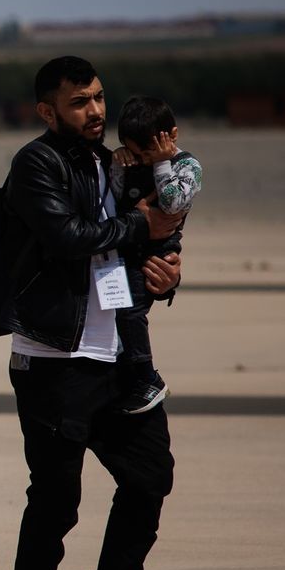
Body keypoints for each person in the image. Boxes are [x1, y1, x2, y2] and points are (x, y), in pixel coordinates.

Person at [0, 56, 185, 570]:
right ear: (47, 111)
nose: (96, 111)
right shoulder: (36, 164)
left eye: (99, 98)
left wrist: (163, 276)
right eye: (80, 103)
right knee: (56, 498)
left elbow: (144, 238)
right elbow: (68, 238)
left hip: (122, 356)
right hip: (55, 357)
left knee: (150, 476)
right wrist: (138, 226)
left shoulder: (113, 164)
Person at [108, 96, 203, 414]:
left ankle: (146, 378)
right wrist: (119, 163)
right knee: (117, 312)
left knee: (131, 311)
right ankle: (130, 375)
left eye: (147, 152)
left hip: (156, 254)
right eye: (135, 152)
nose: (143, 160)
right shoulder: (131, 160)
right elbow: (113, 198)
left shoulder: (188, 166)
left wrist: (162, 163)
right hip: (123, 246)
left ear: (171, 136)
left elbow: (173, 202)